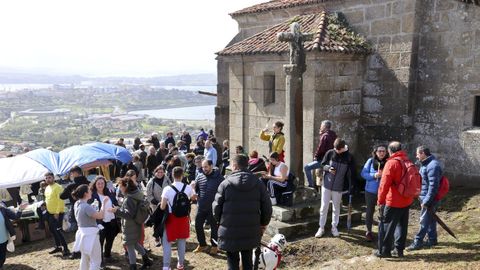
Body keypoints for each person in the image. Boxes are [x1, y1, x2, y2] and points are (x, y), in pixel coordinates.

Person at [213, 154, 272, 270]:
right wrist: (263, 224)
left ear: (234, 166)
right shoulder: (258, 184)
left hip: (230, 228)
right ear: (247, 165)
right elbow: (267, 207)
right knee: (247, 260)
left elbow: (216, 207)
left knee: (232, 262)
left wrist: (219, 221)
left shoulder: (225, 184)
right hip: (250, 229)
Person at [375, 141, 414, 258]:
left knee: (386, 226)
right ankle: (399, 250)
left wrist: (380, 201)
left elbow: (384, 184)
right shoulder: (407, 161)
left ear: (390, 151)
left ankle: (384, 251)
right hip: (406, 200)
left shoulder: (391, 163)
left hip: (393, 201)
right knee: (402, 226)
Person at [109, 177, 152, 270]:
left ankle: (133, 267)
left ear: (126, 187)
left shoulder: (129, 198)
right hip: (136, 223)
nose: (120, 188)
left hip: (130, 225)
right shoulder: (137, 193)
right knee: (135, 243)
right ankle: (147, 260)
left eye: (121, 186)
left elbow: (128, 215)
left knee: (129, 246)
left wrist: (116, 211)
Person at [315, 139, 355, 238]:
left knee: (336, 208)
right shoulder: (330, 153)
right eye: (335, 149)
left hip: (339, 187)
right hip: (326, 185)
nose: (336, 151)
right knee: (323, 207)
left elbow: (351, 174)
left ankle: (334, 227)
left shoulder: (349, 157)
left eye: (338, 149)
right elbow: (322, 164)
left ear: (343, 148)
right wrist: (329, 168)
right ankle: (321, 227)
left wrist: (351, 187)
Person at [406, 146, 442, 251]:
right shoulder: (426, 164)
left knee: (423, 220)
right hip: (425, 197)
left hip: (429, 199)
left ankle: (417, 242)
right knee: (430, 219)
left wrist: (426, 201)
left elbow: (433, 186)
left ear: (422, 153)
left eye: (417, 154)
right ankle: (432, 239)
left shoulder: (432, 166)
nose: (416, 156)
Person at [160, 167, 196, 270]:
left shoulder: (167, 189)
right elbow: (193, 198)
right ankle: (180, 264)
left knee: (167, 242)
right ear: (182, 175)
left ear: (172, 175)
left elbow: (162, 207)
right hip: (183, 218)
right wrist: (192, 187)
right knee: (182, 242)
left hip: (171, 218)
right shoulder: (188, 188)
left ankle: (166, 266)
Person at [191, 160, 224, 255]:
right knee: (198, 225)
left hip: (213, 208)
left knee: (214, 227)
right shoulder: (200, 176)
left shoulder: (219, 178)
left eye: (206, 167)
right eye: (203, 167)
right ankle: (202, 244)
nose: (204, 169)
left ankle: (214, 246)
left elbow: (224, 191)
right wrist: (195, 192)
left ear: (211, 166)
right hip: (201, 206)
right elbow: (195, 189)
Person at [72, 184, 108, 270]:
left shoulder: (77, 204)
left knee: (85, 259)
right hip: (90, 236)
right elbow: (100, 216)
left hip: (82, 234)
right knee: (96, 261)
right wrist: (103, 204)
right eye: (89, 190)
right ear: (85, 193)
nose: (91, 191)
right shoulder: (86, 207)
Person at [89, 176, 120, 268]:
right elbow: (91, 209)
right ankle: (100, 260)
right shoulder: (92, 195)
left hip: (111, 220)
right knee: (100, 242)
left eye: (102, 183)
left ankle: (107, 255)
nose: (100, 185)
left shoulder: (109, 192)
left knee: (110, 239)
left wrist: (115, 208)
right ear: (95, 184)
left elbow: (116, 203)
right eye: (98, 183)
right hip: (100, 222)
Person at [361, 145, 388, 242]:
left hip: (384, 192)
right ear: (376, 152)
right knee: (369, 211)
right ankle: (368, 231)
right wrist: (374, 175)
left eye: (383, 151)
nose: (381, 153)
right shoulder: (370, 161)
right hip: (370, 191)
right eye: (380, 151)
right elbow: (363, 174)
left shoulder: (388, 162)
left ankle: (383, 232)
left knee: (384, 212)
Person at [304, 120, 337, 189]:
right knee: (322, 175)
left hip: (323, 160)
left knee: (307, 168)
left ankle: (311, 185)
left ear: (324, 127)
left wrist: (316, 156)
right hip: (332, 160)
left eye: (321, 126)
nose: (320, 127)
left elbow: (320, 148)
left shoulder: (325, 136)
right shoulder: (334, 134)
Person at [44, 172, 71, 257]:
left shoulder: (58, 187)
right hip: (49, 213)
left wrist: (57, 212)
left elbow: (61, 200)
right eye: (46, 178)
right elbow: (47, 199)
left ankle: (66, 249)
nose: (48, 179)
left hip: (57, 213)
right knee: (52, 230)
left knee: (58, 231)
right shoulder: (47, 188)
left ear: (53, 178)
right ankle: (58, 247)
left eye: (49, 177)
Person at [60, 166, 90, 238]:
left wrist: (68, 191)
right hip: (89, 208)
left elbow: (62, 196)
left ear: (75, 173)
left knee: (79, 231)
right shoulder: (89, 183)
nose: (71, 175)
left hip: (76, 209)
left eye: (72, 173)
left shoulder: (71, 186)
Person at [146, 165, 171, 246]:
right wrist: (158, 203)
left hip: (167, 204)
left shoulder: (167, 179)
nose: (160, 174)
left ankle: (166, 236)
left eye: (161, 172)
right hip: (156, 206)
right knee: (157, 222)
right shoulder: (151, 182)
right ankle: (157, 238)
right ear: (155, 172)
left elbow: (171, 189)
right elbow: (149, 195)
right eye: (158, 172)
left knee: (167, 220)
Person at [0, 200, 26, 269]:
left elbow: (16, 217)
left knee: (2, 258)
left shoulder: (3, 210)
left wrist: (20, 209)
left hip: (3, 239)